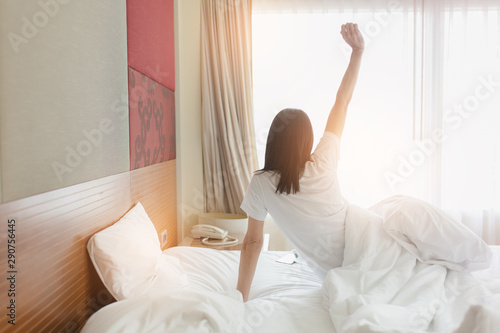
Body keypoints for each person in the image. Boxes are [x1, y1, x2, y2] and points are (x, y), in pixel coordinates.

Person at [237, 23, 364, 302]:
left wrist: (241, 296)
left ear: (273, 140)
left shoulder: (262, 183)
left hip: (342, 262)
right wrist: (357, 51)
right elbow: (341, 103)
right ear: (307, 140)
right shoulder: (324, 160)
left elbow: (253, 242)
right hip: (363, 243)